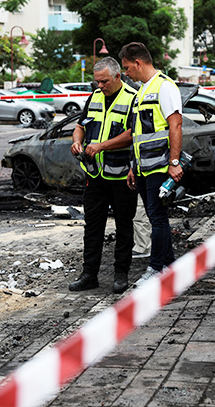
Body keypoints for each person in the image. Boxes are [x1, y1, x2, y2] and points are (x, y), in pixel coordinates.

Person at [68, 57, 139, 293]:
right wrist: (77, 142)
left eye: (104, 81)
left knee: (123, 226)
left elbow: (133, 134)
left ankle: (121, 274)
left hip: (122, 176)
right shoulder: (95, 97)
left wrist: (102, 146)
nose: (100, 86)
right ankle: (89, 275)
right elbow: (81, 125)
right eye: (97, 81)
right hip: (95, 175)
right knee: (93, 226)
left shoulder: (132, 98)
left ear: (118, 76)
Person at [119, 42, 183, 284]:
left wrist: (174, 162)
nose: (126, 73)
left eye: (127, 67)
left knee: (158, 218)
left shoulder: (164, 87)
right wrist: (134, 167)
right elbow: (139, 134)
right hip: (145, 167)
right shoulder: (143, 90)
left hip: (160, 165)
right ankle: (171, 268)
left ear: (138, 62)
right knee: (156, 217)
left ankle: (155, 268)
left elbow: (175, 125)